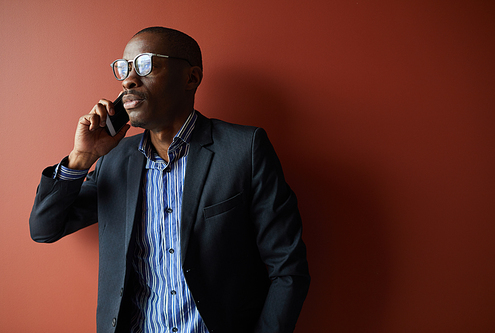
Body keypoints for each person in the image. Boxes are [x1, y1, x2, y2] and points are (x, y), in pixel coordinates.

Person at [29, 27, 310, 333]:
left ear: (191, 78)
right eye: (124, 68)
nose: (128, 80)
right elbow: (44, 228)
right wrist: (82, 158)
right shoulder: (115, 160)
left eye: (146, 64)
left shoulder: (245, 149)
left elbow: (288, 269)